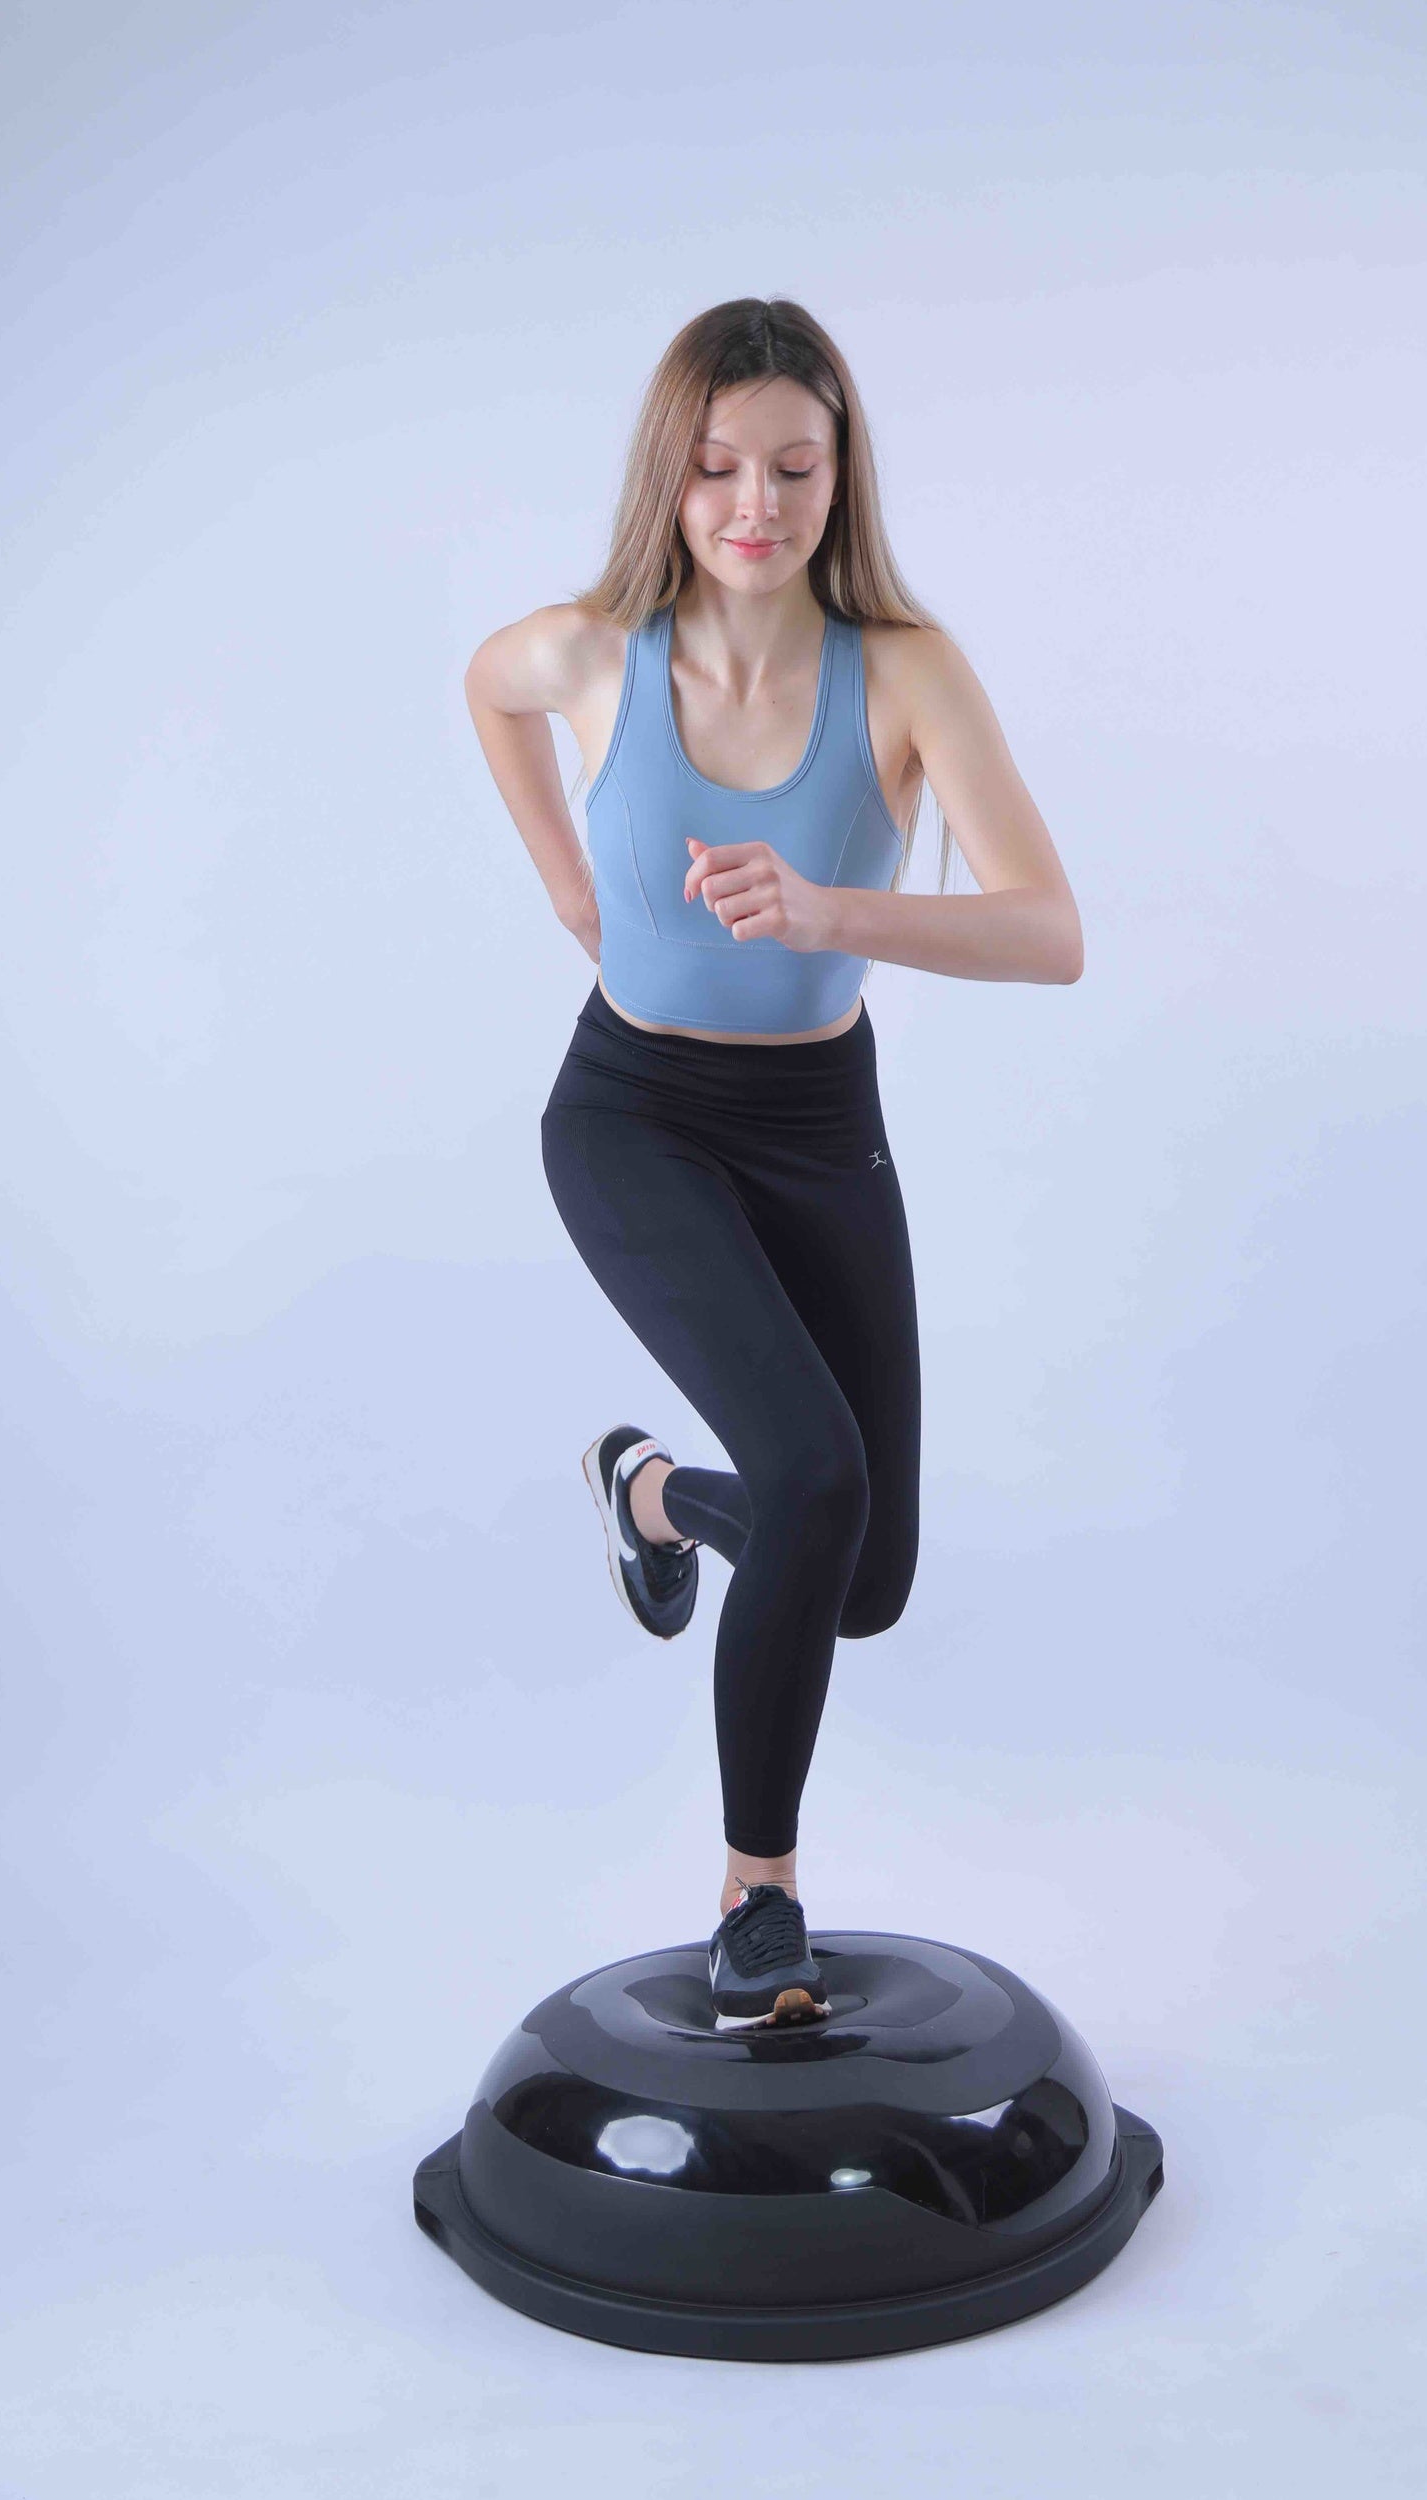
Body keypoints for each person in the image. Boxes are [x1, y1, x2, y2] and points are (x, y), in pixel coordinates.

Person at [464, 297, 1082, 2027]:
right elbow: (487, 691)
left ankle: (650, 1494)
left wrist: (829, 911)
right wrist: (567, 888)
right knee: (813, 1474)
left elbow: (1049, 933)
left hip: (820, 1125)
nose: (755, 504)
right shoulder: (593, 651)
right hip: (632, 1114)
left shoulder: (905, 671)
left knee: (859, 1577)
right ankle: (759, 1898)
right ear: (668, 477)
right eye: (719, 466)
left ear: (840, 473)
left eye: (794, 468)